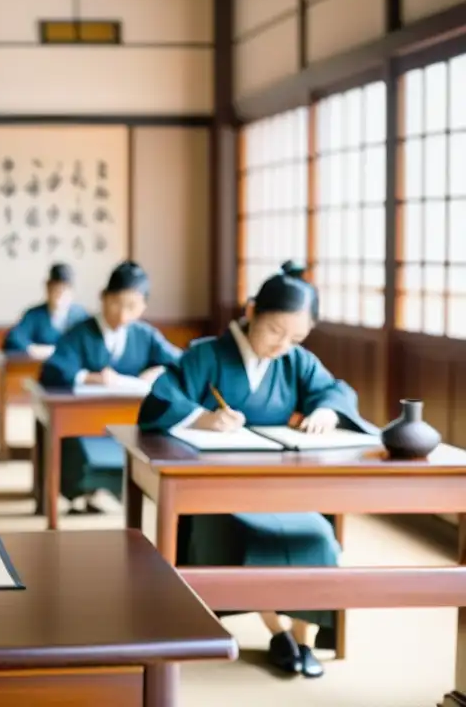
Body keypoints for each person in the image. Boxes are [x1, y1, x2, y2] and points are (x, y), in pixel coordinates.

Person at [137, 260, 377, 679]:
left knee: (317, 535)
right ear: (250, 313)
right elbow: (159, 399)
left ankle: (302, 640)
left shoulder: (296, 361)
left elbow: (335, 390)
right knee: (250, 538)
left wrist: (325, 410)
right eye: (274, 331)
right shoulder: (206, 355)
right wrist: (200, 417)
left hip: (286, 487)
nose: (283, 345)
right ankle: (278, 631)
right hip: (218, 490)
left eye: (296, 337)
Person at [39, 261, 182, 513]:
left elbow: (182, 363)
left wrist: (159, 371)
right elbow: (52, 369)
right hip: (86, 423)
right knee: (85, 457)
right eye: (116, 303)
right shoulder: (80, 332)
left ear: (143, 307)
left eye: (132, 306)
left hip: (134, 423)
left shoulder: (145, 334)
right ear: (103, 298)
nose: (122, 314)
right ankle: (84, 491)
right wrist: (89, 377)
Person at [1, 263, 88, 359]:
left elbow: (93, 343)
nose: (60, 294)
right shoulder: (34, 315)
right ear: (48, 288)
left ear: (72, 292)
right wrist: (33, 349)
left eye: (64, 289)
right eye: (56, 289)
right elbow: (14, 339)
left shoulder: (81, 316)